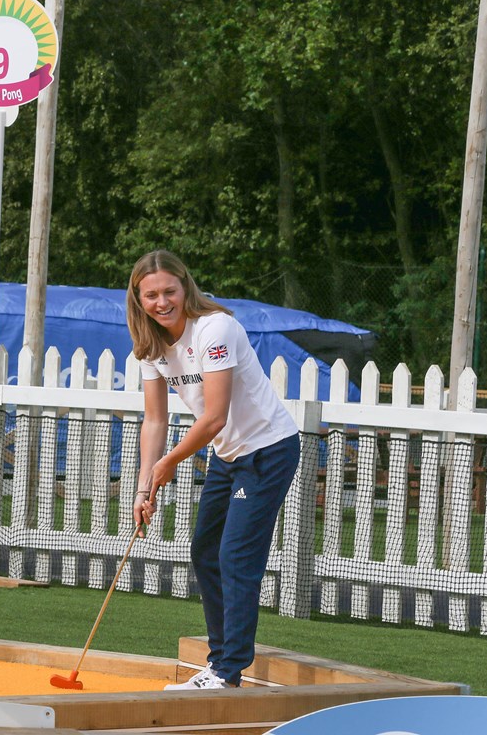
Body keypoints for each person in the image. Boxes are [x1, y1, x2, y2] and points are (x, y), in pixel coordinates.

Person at [127, 250, 300, 690]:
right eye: (151, 295)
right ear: (138, 298)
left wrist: (169, 463)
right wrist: (144, 485)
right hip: (228, 456)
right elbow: (155, 420)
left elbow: (215, 416)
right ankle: (220, 662)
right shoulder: (150, 346)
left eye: (169, 291)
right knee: (206, 551)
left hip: (267, 450)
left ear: (186, 287)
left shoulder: (215, 328)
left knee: (235, 556)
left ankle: (227, 671)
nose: (162, 302)